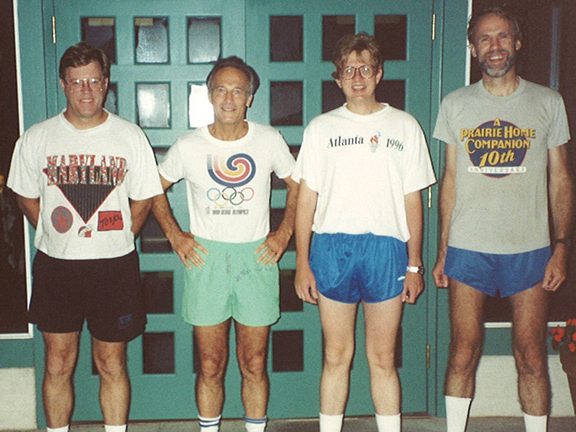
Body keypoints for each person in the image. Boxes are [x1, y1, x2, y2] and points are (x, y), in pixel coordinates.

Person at [6, 42, 162, 432]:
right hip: (57, 267)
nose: (86, 89)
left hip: (115, 266)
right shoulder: (37, 137)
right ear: (63, 85)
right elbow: (24, 193)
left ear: (106, 83)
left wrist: (122, 234)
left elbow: (144, 197)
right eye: (77, 82)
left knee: (112, 363)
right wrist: (56, 234)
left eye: (94, 80)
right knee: (58, 362)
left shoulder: (129, 136)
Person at [432, 6, 573, 432]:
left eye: (502, 37)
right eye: (485, 39)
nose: (494, 47)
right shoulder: (455, 103)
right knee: (462, 349)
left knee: (530, 355)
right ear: (473, 48)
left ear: (517, 42)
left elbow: (561, 180)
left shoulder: (548, 102)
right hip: (467, 248)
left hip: (528, 250)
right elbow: (450, 181)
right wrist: (442, 252)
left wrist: (562, 246)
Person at [293, 32, 436, 432]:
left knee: (382, 358)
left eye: (366, 69)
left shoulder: (404, 126)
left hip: (386, 251)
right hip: (332, 248)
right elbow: (306, 202)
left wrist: (414, 264)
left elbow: (413, 201)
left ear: (379, 74)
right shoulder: (321, 129)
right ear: (337, 78)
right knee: (337, 355)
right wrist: (302, 263)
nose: (358, 77)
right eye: (349, 70)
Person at [152, 56, 298, 432]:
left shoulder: (268, 140)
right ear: (209, 95)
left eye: (238, 90)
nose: (229, 98)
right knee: (211, 365)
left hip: (256, 258)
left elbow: (298, 184)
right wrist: (176, 235)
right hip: (207, 259)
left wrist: (283, 234)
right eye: (221, 89)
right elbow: (153, 187)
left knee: (253, 362)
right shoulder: (189, 145)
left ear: (250, 97)